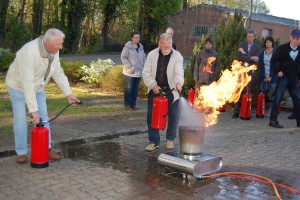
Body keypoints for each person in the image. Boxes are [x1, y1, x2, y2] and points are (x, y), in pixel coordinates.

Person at [5, 28, 80, 164]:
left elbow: (58, 72)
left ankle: (46, 148)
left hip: (38, 87)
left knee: (43, 117)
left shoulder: (54, 51)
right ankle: (21, 152)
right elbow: (27, 83)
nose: (61, 47)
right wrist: (33, 110)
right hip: (18, 87)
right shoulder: (29, 52)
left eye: (61, 43)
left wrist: (68, 94)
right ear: (47, 42)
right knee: (21, 119)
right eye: (58, 44)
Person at [142, 33, 184, 151]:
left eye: (169, 45)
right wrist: (153, 85)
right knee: (151, 116)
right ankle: (154, 141)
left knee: (174, 116)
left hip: (171, 90)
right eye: (164, 45)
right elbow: (146, 73)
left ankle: (170, 139)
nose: (166, 48)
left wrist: (179, 83)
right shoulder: (152, 55)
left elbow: (179, 72)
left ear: (171, 43)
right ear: (159, 44)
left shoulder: (177, 56)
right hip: (155, 89)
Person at [268, 29, 300, 128]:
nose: (295, 40)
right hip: (284, 77)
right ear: (290, 37)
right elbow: (273, 61)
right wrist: (278, 72)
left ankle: (299, 121)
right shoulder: (282, 48)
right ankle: (273, 121)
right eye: (293, 38)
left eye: (297, 38)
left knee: (298, 99)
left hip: (294, 78)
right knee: (278, 97)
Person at [232, 29, 261, 118]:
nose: (249, 38)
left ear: (254, 37)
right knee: (238, 91)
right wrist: (249, 57)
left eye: (251, 36)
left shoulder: (257, 47)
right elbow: (239, 56)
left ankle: (245, 111)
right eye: (248, 36)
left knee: (247, 92)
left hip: (250, 73)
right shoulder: (242, 44)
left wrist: (245, 54)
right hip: (240, 71)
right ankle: (236, 112)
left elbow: (257, 59)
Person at [121, 31, 146, 110]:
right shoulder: (127, 47)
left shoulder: (141, 47)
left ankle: (133, 105)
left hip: (139, 72)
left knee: (135, 90)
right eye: (135, 37)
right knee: (129, 89)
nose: (137, 39)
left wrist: (144, 66)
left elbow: (144, 57)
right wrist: (130, 66)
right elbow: (123, 57)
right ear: (132, 38)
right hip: (130, 72)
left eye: (138, 37)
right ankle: (127, 105)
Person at [258, 37, 277, 117]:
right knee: (264, 93)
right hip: (264, 77)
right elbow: (261, 66)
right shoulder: (262, 53)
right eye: (266, 42)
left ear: (272, 43)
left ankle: (270, 110)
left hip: (273, 78)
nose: (268, 43)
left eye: (269, 42)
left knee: (272, 94)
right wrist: (264, 77)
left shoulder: (275, 53)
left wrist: (271, 77)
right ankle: (266, 107)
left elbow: (277, 66)